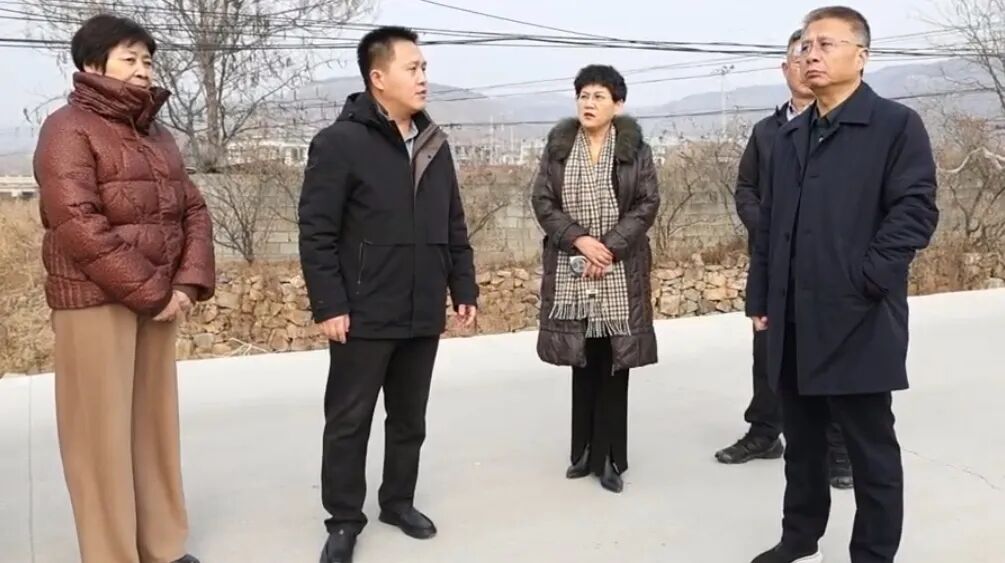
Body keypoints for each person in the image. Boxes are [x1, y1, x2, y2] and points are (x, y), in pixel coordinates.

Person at [746, 7, 939, 563]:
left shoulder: (895, 125)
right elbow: (770, 225)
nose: (811, 55)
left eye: (826, 44)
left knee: (869, 449)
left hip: (859, 315)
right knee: (802, 443)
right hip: (792, 315)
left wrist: (868, 278)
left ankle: (873, 554)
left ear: (862, 56)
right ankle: (799, 537)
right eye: (806, 46)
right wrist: (761, 296)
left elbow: (914, 211)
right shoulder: (788, 136)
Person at [33, 14, 214, 563]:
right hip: (95, 302)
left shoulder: (157, 135)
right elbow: (77, 222)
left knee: (153, 429)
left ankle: (162, 545)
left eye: (147, 60)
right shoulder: (67, 129)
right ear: (93, 65)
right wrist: (153, 292)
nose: (142, 70)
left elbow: (193, 209)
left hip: (158, 300)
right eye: (129, 59)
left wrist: (186, 283)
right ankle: (112, 554)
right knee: (100, 438)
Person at [298, 26, 479, 563]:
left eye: (424, 68)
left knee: (409, 419)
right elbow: (316, 231)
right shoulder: (339, 144)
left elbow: (453, 222)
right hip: (363, 309)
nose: (423, 78)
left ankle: (398, 502)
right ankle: (343, 520)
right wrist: (330, 303)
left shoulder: (434, 145)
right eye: (412, 68)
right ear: (378, 78)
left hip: (422, 306)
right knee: (348, 420)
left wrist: (462, 284)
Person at [719, 29, 854, 491]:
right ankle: (764, 433)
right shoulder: (766, 132)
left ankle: (839, 450)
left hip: (827, 266)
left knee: (829, 355)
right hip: (774, 264)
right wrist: (773, 231)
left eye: (817, 52)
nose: (807, 63)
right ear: (785, 68)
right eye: (799, 56)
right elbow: (746, 190)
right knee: (768, 354)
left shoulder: (845, 128)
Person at [531, 65, 660, 495]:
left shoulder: (636, 150)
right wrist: (580, 241)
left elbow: (647, 203)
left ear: (617, 105)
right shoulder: (558, 148)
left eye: (599, 96)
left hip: (618, 270)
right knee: (582, 361)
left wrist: (608, 248)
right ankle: (583, 452)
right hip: (572, 267)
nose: (589, 103)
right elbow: (542, 201)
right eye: (583, 95)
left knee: (613, 364)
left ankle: (611, 458)